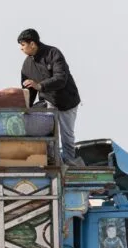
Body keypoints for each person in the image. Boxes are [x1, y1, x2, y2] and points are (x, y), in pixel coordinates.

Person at [17, 29, 82, 166]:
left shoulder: (53, 53)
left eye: (23, 45)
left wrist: (40, 86)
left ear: (32, 44)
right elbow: (29, 91)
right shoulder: (26, 65)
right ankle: (54, 163)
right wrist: (25, 107)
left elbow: (61, 78)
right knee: (48, 133)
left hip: (67, 101)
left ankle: (70, 164)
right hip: (48, 102)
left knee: (67, 136)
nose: (21, 49)